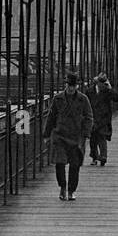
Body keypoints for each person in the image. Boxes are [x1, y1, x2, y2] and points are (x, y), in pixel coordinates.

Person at [44, 71, 93, 201]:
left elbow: (89, 117)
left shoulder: (83, 99)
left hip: (76, 137)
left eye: (73, 86)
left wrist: (86, 134)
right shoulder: (58, 99)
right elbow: (51, 117)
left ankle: (71, 190)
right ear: (66, 85)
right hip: (60, 136)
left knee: (75, 165)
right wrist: (47, 135)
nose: (71, 88)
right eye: (69, 85)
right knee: (59, 163)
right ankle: (62, 187)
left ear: (77, 86)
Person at [89, 72, 118, 166]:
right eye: (101, 82)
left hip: (104, 118)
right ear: (97, 82)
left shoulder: (107, 91)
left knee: (102, 137)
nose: (102, 84)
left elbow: (117, 98)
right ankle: (94, 157)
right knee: (93, 139)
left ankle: (103, 157)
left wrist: (110, 88)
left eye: (104, 83)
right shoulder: (90, 91)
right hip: (93, 116)